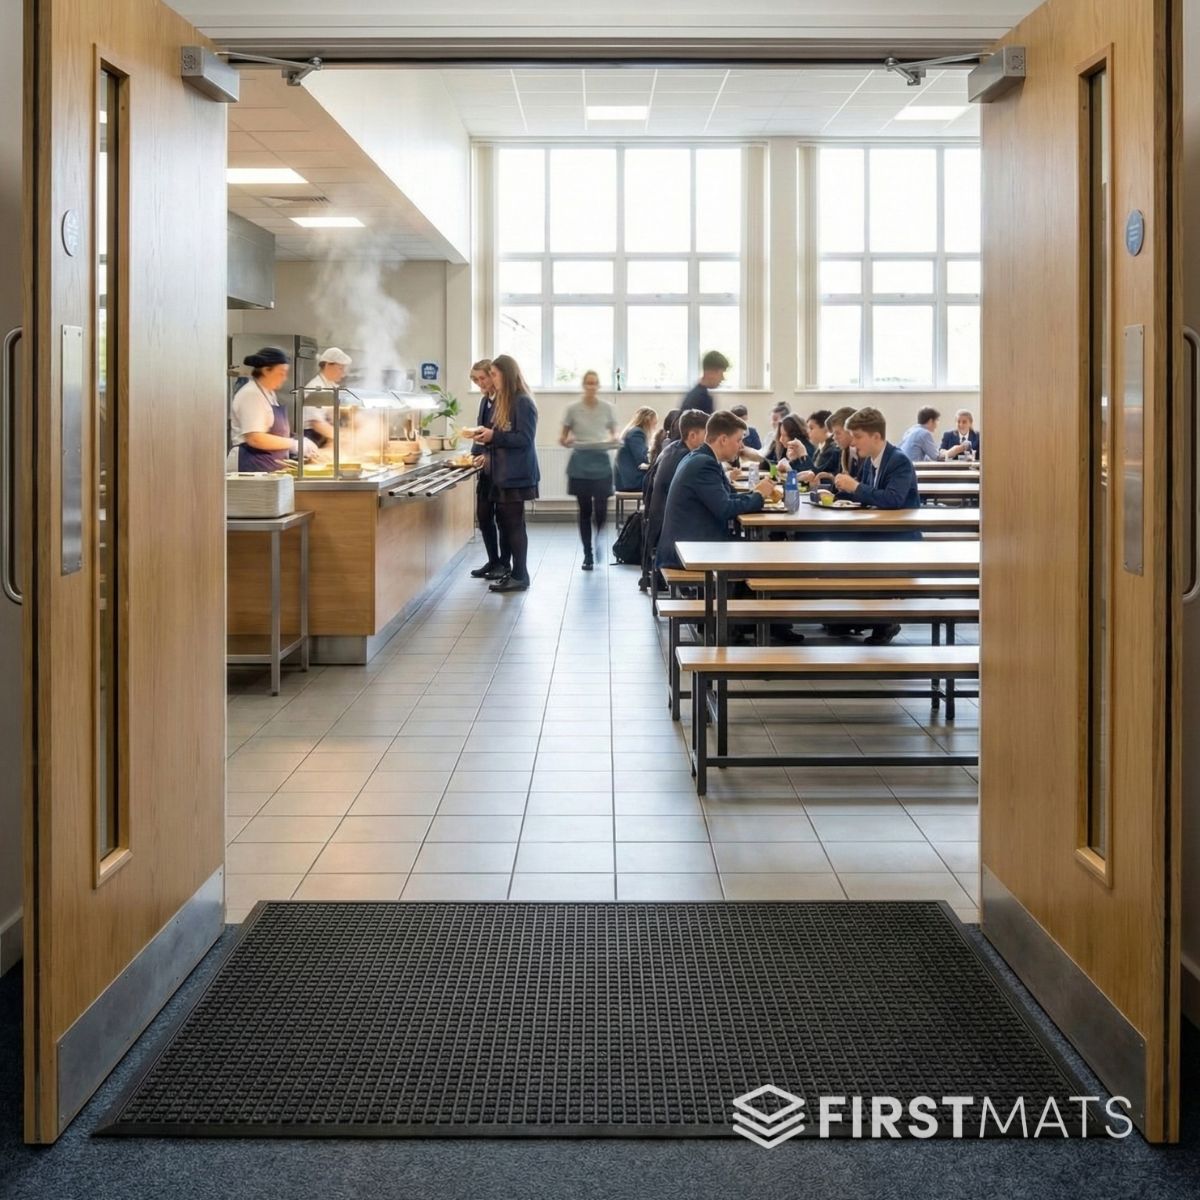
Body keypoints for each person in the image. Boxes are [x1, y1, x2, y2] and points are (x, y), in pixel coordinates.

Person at [658, 410, 804, 645]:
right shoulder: (704, 464)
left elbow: (725, 499)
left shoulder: (701, 458)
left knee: (763, 553)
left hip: (692, 540)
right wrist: (758, 496)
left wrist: (755, 495)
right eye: (738, 440)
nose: (740, 446)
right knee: (768, 558)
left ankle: (757, 623)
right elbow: (725, 508)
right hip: (689, 549)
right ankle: (757, 626)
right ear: (722, 439)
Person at [833, 407, 921, 645]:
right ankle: (857, 614)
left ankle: (883, 619)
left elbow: (892, 499)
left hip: (899, 538)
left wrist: (855, 488)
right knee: (836, 542)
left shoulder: (899, 461)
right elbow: (868, 495)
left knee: (847, 547)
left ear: (876, 436)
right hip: (880, 532)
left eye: (858, 436)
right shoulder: (871, 460)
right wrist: (837, 493)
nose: (853, 442)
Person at [465, 354, 539, 593]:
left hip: (515, 474)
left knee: (514, 525)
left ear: (506, 375)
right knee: (507, 524)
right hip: (502, 472)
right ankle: (512, 571)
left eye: (493, 375)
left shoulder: (522, 401)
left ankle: (520, 574)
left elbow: (524, 439)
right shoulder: (503, 401)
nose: (490, 380)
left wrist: (493, 436)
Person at [641, 408, 708, 591]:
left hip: (658, 526)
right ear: (693, 435)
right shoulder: (687, 458)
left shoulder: (672, 448)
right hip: (672, 533)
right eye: (707, 434)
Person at [561, 369, 619, 572]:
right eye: (588, 383)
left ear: (599, 385)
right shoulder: (573, 409)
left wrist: (613, 440)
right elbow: (563, 437)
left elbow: (614, 434)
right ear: (583, 385)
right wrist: (567, 441)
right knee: (584, 511)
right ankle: (588, 554)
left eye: (595, 383)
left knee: (601, 511)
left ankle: (599, 537)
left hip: (601, 462)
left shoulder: (607, 408)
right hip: (580, 464)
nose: (591, 387)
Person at [226, 346, 318, 472]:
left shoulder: (268, 394)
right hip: (249, 465)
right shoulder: (251, 394)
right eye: (281, 373)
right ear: (266, 370)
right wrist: (293, 444)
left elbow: (274, 432)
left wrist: (298, 440)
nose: (284, 378)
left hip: (266, 466)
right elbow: (255, 438)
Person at [467, 358, 511, 581]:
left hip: (502, 469)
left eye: (482, 378)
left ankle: (504, 563)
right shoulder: (485, 402)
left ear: (493, 376)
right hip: (486, 469)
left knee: (504, 519)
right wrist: (474, 454)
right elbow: (479, 432)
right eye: (475, 380)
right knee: (483, 515)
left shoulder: (507, 401)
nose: (480, 383)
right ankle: (492, 559)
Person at [301, 348, 352, 447]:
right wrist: (342, 438)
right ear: (328, 365)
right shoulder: (315, 388)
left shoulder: (332, 386)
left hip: (326, 436)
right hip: (313, 440)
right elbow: (316, 423)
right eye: (340, 368)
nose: (343, 373)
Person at [614, 407, 657, 491]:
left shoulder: (632, 431)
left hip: (625, 480)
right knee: (663, 482)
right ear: (648, 421)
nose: (655, 426)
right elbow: (641, 459)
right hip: (632, 481)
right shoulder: (637, 433)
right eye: (654, 423)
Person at [679, 350, 729, 415]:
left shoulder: (699, 395)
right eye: (721, 373)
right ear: (711, 372)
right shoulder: (699, 399)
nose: (723, 378)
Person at [808, 406, 852, 479]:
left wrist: (802, 456)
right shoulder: (821, 448)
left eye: (811, 428)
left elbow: (815, 473)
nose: (834, 437)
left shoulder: (833, 450)